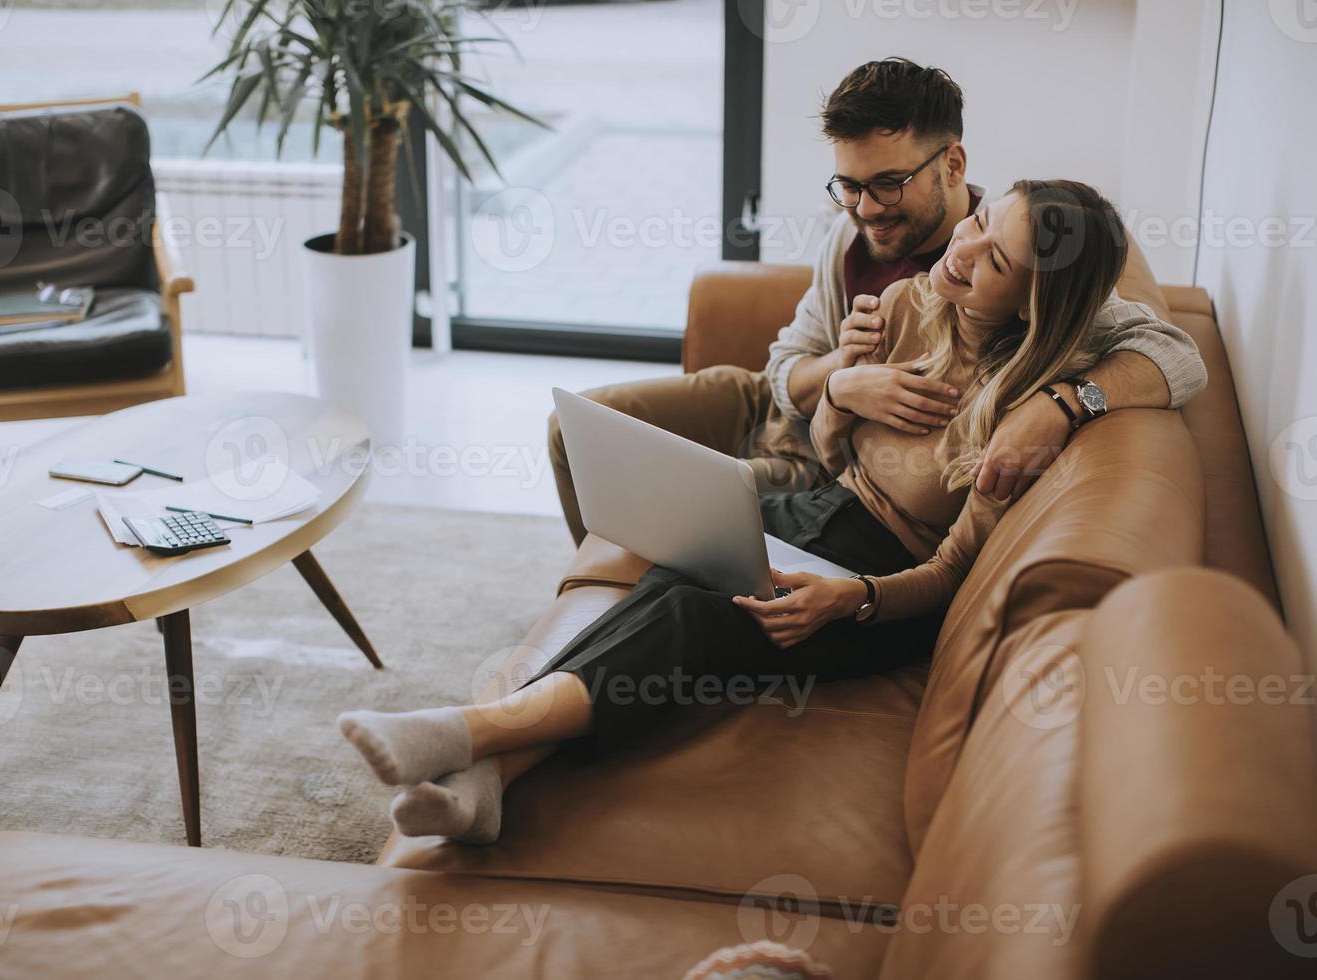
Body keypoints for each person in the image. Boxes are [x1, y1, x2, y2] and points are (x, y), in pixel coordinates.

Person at [341, 179, 1155, 845]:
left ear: (1032, 303)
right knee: (679, 557)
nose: (965, 249)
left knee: (691, 614)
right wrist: (844, 378)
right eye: (977, 223)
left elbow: (947, 573)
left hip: (884, 589)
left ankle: (473, 730)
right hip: (824, 511)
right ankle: (490, 782)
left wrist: (855, 598)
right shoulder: (910, 301)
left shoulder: (1018, 414)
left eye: (996, 258)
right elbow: (834, 449)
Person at [547, 58, 1207, 546]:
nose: (865, 208)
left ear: (953, 164)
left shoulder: (1026, 260)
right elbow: (784, 367)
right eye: (849, 185)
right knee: (574, 431)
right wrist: (844, 374)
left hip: (820, 467)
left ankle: (621, 594)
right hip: (780, 404)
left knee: (658, 511)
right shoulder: (850, 236)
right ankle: (598, 582)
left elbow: (1174, 354)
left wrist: (1062, 403)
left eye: (888, 185)